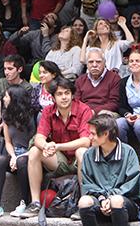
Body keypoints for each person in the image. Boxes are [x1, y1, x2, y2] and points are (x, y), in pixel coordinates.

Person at [20, 78, 93, 218]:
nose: (64, 97)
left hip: (80, 159)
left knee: (82, 151)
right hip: (61, 160)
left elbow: (85, 141)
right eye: (59, 94)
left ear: (72, 94)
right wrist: (46, 146)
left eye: (67, 93)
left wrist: (58, 146)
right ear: (53, 97)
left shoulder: (84, 109)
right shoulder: (48, 111)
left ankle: (83, 203)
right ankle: (35, 203)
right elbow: (39, 137)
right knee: (35, 150)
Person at [77, 114, 140, 226]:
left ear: (106, 134)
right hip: (100, 201)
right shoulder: (88, 154)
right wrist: (102, 199)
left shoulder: (128, 152)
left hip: (124, 203)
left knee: (116, 200)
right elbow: (87, 184)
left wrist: (111, 197)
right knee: (84, 202)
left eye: (93, 134)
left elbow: (132, 184)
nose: (89, 137)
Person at [0, 84, 36, 219]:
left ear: (14, 98)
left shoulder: (31, 116)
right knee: (0, 161)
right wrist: (13, 156)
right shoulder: (6, 116)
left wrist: (18, 157)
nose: (4, 99)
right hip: (13, 152)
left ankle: (24, 202)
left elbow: (35, 143)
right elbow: (8, 142)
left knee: (22, 162)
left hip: (29, 153)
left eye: (6, 96)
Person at [75, 48, 121, 114]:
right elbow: (76, 102)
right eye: (91, 62)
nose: (94, 65)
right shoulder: (80, 80)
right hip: (84, 113)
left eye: (98, 62)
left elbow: (114, 103)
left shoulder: (114, 78)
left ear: (104, 62)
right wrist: (85, 113)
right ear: (87, 64)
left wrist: (94, 112)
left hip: (106, 114)